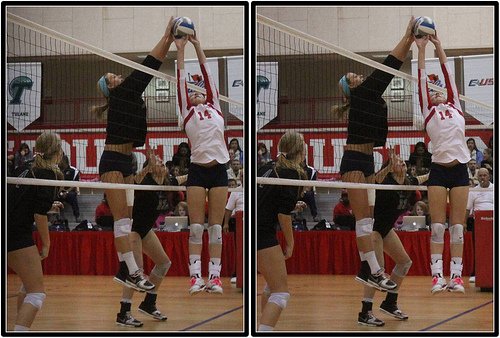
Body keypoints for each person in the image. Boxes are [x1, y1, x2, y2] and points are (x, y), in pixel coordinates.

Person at [91, 17, 175, 292]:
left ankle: (125, 272)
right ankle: (132, 271)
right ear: (110, 89)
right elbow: (149, 65)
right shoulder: (122, 94)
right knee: (123, 222)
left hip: (127, 161)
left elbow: (148, 68)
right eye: (110, 78)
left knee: (128, 221)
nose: (115, 75)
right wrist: (167, 38)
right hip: (112, 161)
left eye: (113, 74)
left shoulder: (127, 96)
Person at [334, 17, 415, 291]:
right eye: (350, 78)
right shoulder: (361, 95)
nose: (354, 74)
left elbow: (389, 68)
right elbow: (389, 65)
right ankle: (374, 271)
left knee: (368, 220)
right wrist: (407, 37)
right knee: (364, 221)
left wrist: (409, 40)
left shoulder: (367, 95)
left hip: (367, 161)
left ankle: (367, 271)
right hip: (355, 161)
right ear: (350, 90)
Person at [175, 31, 230, 295]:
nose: (197, 93)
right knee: (197, 227)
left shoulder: (216, 107)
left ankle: (215, 277)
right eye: (192, 91)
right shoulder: (186, 111)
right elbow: (180, 76)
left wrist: (198, 45)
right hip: (197, 170)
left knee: (216, 228)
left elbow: (208, 74)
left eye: (200, 91)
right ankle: (195, 277)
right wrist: (180, 49)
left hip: (219, 170)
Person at [416, 32, 470, 293]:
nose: (436, 94)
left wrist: (439, 46)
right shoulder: (428, 111)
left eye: (440, 93)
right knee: (437, 226)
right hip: (438, 170)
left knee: (458, 228)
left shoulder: (456, 106)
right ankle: (437, 276)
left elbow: (448, 76)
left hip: (460, 170)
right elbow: (421, 78)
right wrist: (422, 49)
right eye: (432, 93)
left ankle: (456, 276)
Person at [7, 132, 63, 331]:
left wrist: (48, 204)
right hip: (16, 234)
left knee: (27, 285)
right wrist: (46, 244)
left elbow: (22, 199)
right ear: (58, 152)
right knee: (37, 293)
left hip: (8, 228)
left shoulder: (24, 167)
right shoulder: (47, 174)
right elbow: (40, 215)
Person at [113, 153, 173, 327]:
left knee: (163, 263)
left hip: (145, 230)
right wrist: (147, 167)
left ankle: (148, 303)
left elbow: (188, 179)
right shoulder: (144, 181)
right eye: (158, 162)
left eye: (162, 162)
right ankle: (123, 313)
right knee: (135, 273)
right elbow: (133, 182)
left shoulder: (167, 182)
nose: (162, 163)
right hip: (133, 231)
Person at [257, 131, 307, 331]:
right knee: (281, 293)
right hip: (262, 233)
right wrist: (291, 242)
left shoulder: (266, 167)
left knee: (271, 286)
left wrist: (292, 206)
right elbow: (282, 215)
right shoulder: (292, 173)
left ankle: (263, 326)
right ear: (300, 150)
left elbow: (266, 201)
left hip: (251, 230)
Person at [356, 154, 413, 326]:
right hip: (374, 230)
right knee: (376, 272)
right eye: (397, 161)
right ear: (390, 166)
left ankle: (390, 303)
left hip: (386, 229)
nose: (402, 162)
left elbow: (426, 178)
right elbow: (374, 180)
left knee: (404, 262)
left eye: (403, 161)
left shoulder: (409, 181)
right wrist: (388, 167)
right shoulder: (385, 180)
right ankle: (365, 312)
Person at [465, 168, 494, 284]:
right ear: (477, 177)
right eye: (480, 176)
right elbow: (467, 209)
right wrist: (463, 223)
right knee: (479, 249)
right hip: (479, 224)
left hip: (493, 222)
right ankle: (476, 273)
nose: (483, 177)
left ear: (489, 176)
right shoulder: (472, 191)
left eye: (485, 175)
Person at [57, 154, 81, 223]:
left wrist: (66, 192)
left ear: (64, 161)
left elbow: (75, 184)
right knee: (54, 195)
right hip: (59, 191)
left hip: (69, 191)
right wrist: (60, 191)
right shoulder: (56, 170)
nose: (58, 162)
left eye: (59, 160)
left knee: (72, 196)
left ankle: (77, 216)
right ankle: (58, 217)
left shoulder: (74, 170)